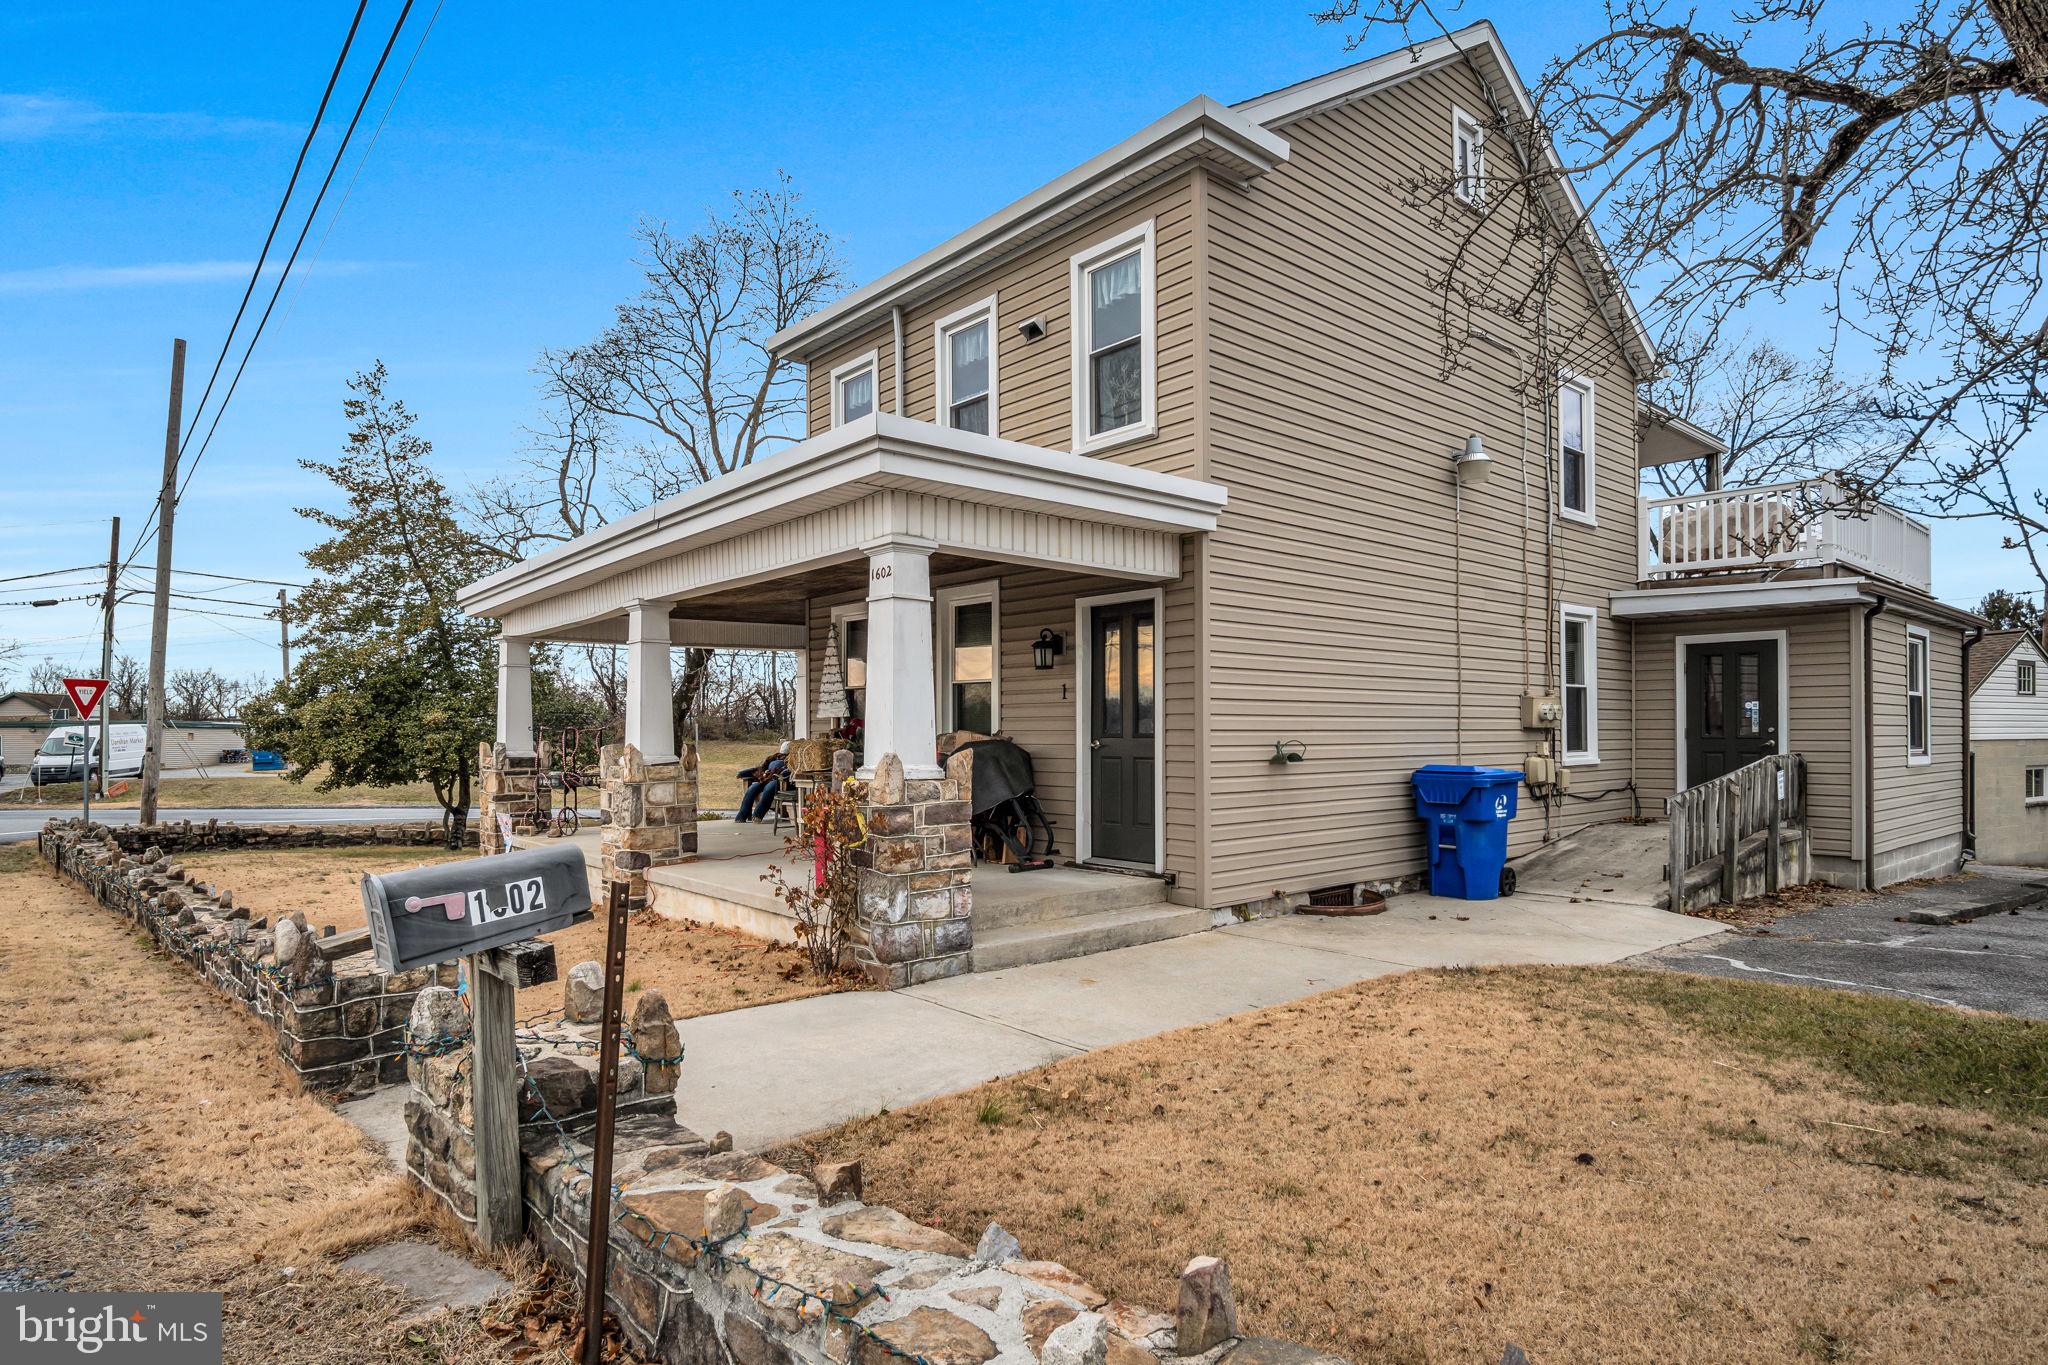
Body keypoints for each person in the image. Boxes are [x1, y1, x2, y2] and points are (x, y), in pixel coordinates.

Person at [734, 741, 792, 823]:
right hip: (766, 778)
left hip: (781, 781)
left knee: (769, 787)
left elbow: (789, 772)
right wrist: (764, 773)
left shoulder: (792, 760)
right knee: (753, 788)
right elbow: (761, 769)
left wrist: (780, 773)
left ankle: (758, 815)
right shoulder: (773, 758)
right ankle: (741, 816)